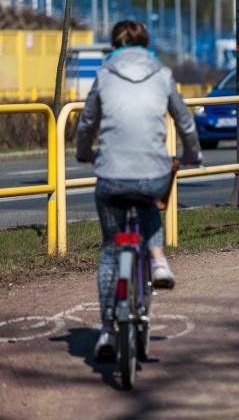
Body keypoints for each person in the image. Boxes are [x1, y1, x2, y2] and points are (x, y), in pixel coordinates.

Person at [76, 20, 202, 361]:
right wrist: (193, 155)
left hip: (112, 177)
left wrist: (83, 152)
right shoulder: (162, 74)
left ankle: (105, 332)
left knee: (109, 251)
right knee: (150, 204)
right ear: (147, 44)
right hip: (152, 174)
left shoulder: (103, 75)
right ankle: (158, 261)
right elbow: (184, 121)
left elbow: (88, 122)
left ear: (113, 45)